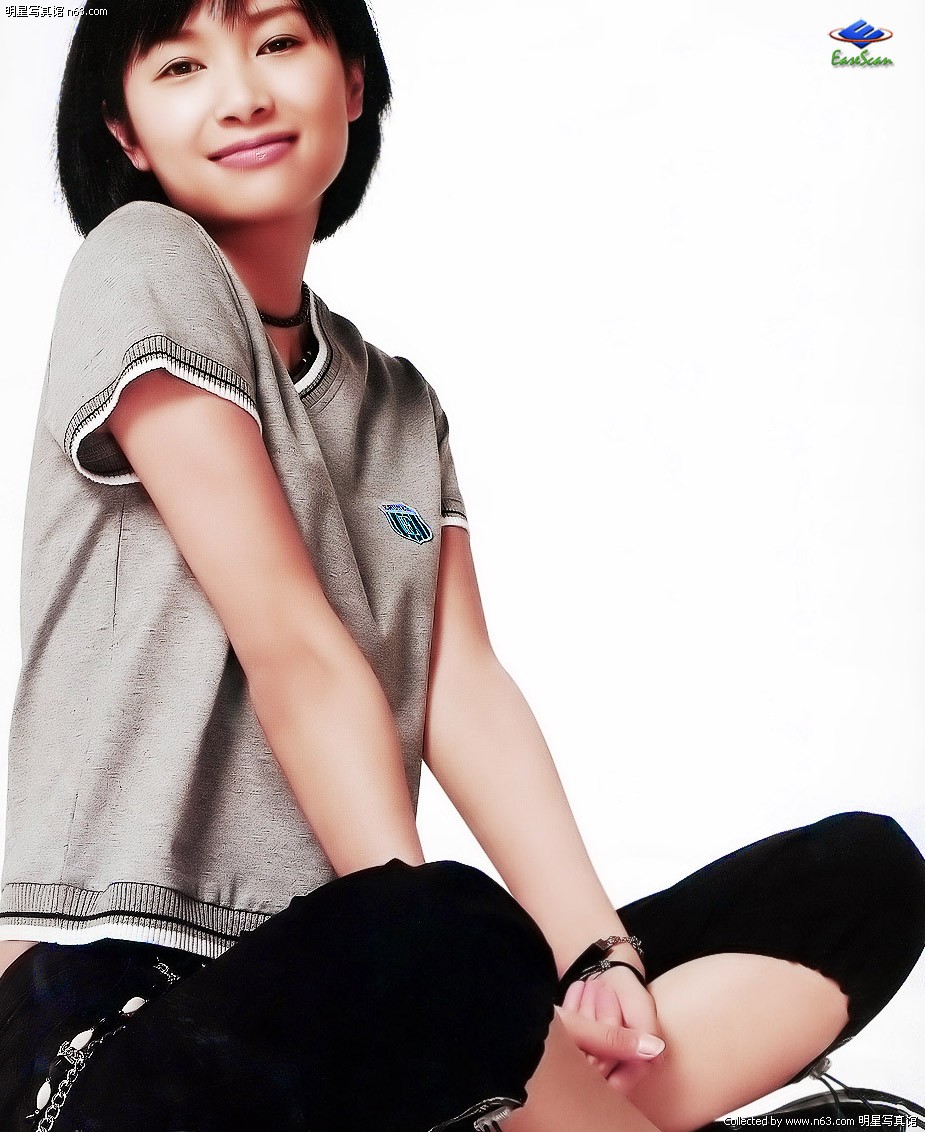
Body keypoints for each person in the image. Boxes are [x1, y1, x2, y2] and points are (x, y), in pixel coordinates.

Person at [1, 1, 924, 1129]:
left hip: (354, 971)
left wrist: (599, 956)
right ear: (125, 131)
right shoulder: (141, 259)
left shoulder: (396, 402)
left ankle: (500, 1097)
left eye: (278, 42)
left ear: (351, 79)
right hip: (114, 1004)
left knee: (860, 878)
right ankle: (503, 1088)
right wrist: (431, 971)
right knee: (448, 940)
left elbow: (462, 689)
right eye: (183, 66)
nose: (241, 95)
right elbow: (290, 648)